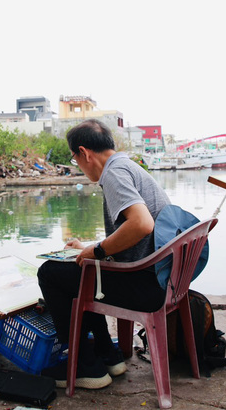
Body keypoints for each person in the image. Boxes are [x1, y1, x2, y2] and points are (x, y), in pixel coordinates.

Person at [37, 119, 171, 389]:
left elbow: (143, 224)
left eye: (76, 159)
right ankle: (108, 355)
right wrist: (90, 247)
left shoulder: (113, 173)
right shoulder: (127, 166)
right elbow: (131, 231)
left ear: (84, 153)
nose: (80, 165)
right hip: (160, 279)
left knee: (50, 274)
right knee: (82, 270)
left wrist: (97, 250)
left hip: (145, 286)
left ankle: (85, 365)